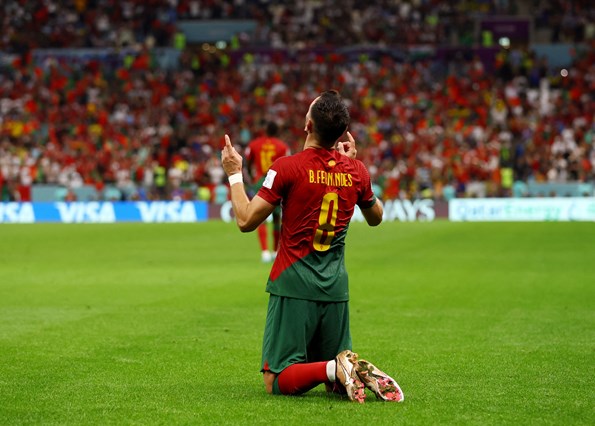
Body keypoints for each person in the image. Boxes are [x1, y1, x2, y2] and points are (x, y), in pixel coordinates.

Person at [221, 90, 404, 403]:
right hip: (335, 288)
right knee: (333, 382)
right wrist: (352, 165)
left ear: (307, 125)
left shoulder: (288, 167)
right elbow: (376, 217)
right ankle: (346, 370)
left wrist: (234, 173)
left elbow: (246, 220)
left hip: (294, 283)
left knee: (276, 380)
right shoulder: (356, 171)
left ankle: (337, 370)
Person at [244, 121, 290, 262]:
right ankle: (275, 251)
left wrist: (251, 180)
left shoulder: (254, 144)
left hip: (260, 181)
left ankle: (264, 252)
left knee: (260, 217)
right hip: (276, 181)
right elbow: (288, 165)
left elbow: (246, 163)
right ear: (277, 131)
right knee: (277, 218)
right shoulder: (282, 146)